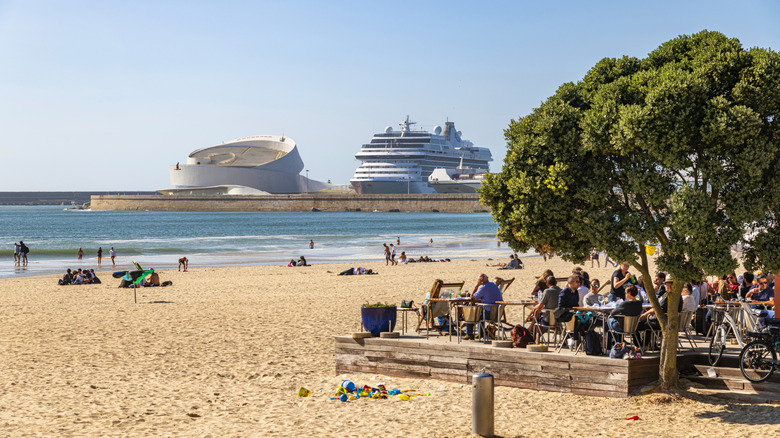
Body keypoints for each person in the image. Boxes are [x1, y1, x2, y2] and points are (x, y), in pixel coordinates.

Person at [463, 273, 503, 340]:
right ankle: (480, 333)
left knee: (471, 312)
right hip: (497, 313)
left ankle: (469, 333)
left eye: (478, 280)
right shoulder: (494, 285)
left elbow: (472, 297)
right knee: (479, 311)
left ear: (481, 280)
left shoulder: (483, 287)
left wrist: (476, 285)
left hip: (488, 314)